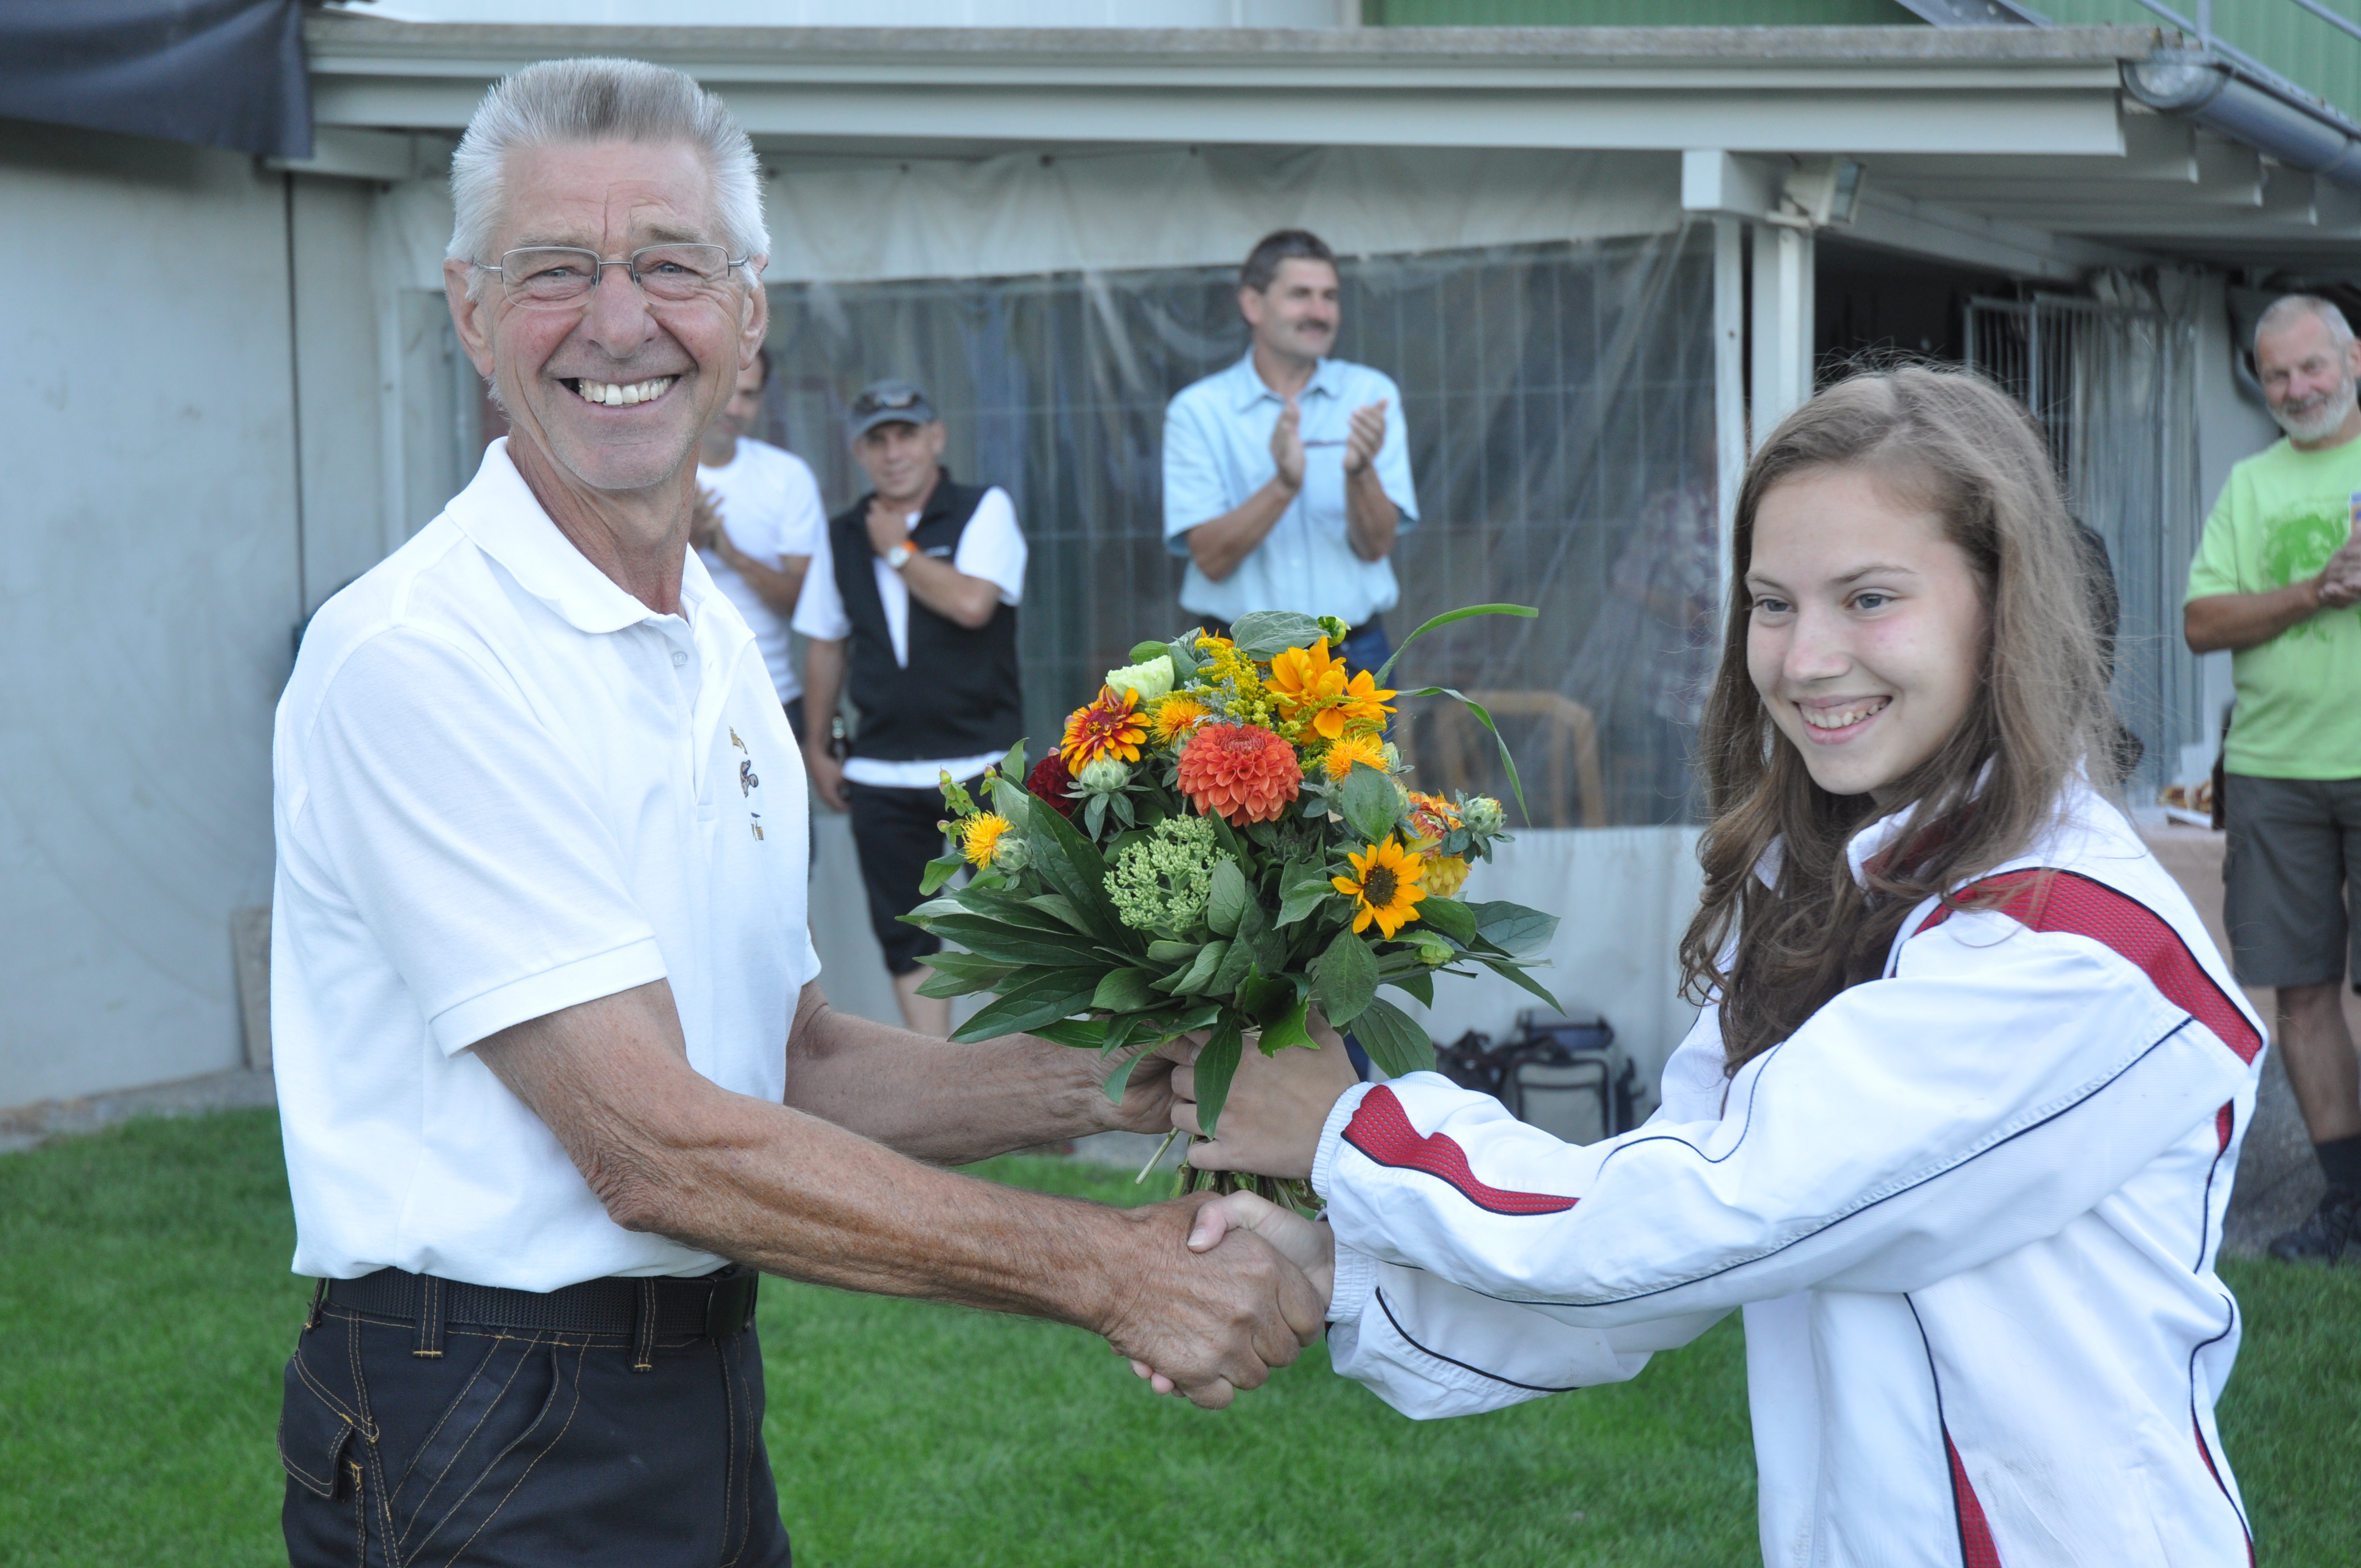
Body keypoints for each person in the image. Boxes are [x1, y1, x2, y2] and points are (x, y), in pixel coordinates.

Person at [269, 58, 1319, 1568]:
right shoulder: (419, 656)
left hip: (687, 1382)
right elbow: (656, 1146)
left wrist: (1119, 1079)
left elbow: (792, 1061)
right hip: (479, 1413)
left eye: (671, 265)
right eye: (554, 268)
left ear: (748, 311)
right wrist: (1111, 1268)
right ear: (470, 311)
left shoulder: (705, 633)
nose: (618, 322)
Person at [1160, 368, 2268, 1567]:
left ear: (2005, 605)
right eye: (1770, 603)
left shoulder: (2072, 942)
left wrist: (1350, 1130)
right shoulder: (1828, 886)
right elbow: (1659, 1250)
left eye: (1868, 597)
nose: (1803, 658)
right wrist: (1339, 1266)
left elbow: (1720, 1206)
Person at [2186, 293, 2361, 1264]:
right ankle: (2347, 1204)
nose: (2295, 389)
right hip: (2273, 770)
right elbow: (2200, 622)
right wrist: (2313, 590)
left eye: (2310, 367)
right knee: (2299, 994)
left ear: (2353, 360)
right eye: (2276, 374)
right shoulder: (2250, 484)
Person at [793, 379, 1025, 1038]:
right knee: (907, 935)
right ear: (859, 452)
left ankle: (1032, 1071)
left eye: (907, 435)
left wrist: (897, 549)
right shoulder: (842, 535)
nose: (894, 453)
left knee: (1018, 925)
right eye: (878, 440)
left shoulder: (982, 509)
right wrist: (816, 744)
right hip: (881, 771)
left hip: (982, 762)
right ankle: (936, 1072)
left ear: (936, 438)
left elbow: (972, 604)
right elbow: (826, 642)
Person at [1163, 229, 1417, 675]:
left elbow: (1377, 546)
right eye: (1301, 295)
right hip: (1237, 659)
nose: (1320, 312)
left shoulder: (1370, 396)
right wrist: (1283, 485)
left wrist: (1361, 473)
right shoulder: (1199, 411)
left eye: (1330, 297)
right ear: (1252, 304)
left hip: (1351, 652)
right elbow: (1211, 560)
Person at [692, 344, 823, 737]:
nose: (734, 409)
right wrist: (689, 543)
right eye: (727, 391)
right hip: (682, 699)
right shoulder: (650, 471)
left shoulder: (787, 476)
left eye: (748, 395)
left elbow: (805, 605)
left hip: (772, 695)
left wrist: (733, 556)